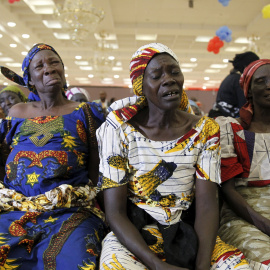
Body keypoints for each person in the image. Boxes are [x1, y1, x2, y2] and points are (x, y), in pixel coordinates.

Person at [97, 43, 249, 270]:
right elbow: (115, 212)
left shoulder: (205, 129)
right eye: (156, 76)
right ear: (141, 87)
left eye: (175, 72)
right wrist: (156, 266)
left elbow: (207, 206)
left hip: (187, 228)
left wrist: (203, 265)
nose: (169, 79)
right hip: (135, 233)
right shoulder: (118, 128)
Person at [0, 43, 106, 269]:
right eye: (39, 66)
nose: (48, 68)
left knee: (73, 260)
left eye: (54, 62)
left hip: (70, 211)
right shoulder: (16, 112)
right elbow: (2, 157)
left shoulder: (86, 112)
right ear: (30, 79)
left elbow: (98, 169)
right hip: (15, 209)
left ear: (63, 69)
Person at [216, 59, 270, 268]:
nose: (268, 85)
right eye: (260, 81)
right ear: (248, 90)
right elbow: (228, 192)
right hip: (244, 218)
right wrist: (264, 224)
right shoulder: (232, 130)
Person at [213, 51, 259, 118]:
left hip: (222, 115)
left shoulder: (231, 78)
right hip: (230, 119)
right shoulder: (239, 80)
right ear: (247, 66)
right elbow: (244, 105)